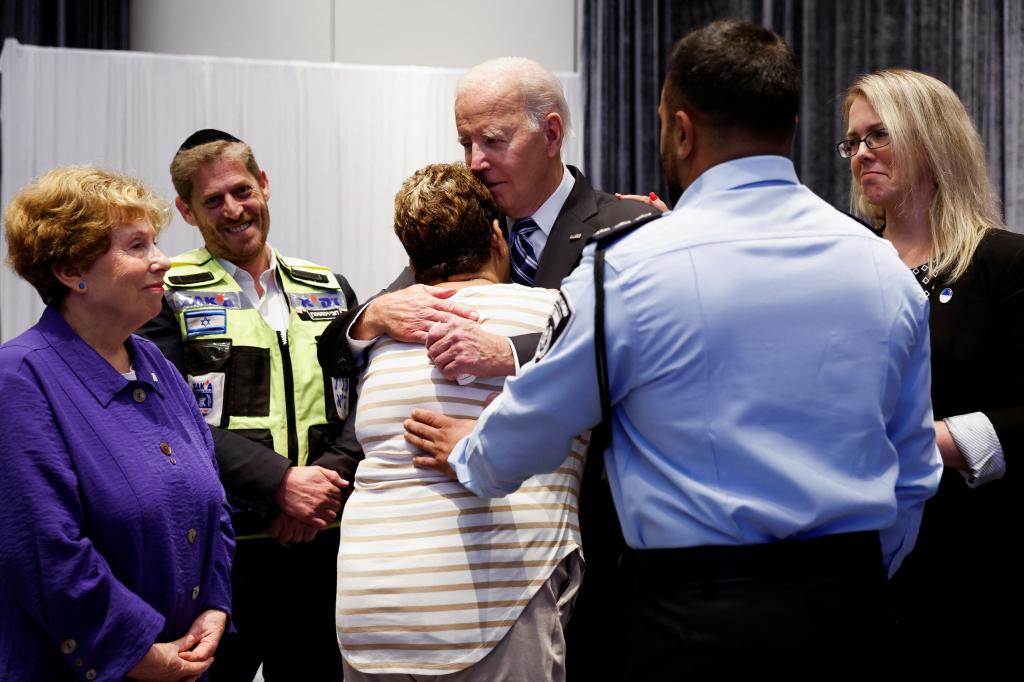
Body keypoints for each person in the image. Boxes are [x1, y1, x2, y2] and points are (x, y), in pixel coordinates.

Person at [405, 19, 943, 678]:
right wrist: (844, 575)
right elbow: (914, 471)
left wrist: (471, 451)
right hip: (854, 616)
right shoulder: (884, 268)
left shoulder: (625, 267)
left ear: (681, 129)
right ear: (792, 125)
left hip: (696, 621)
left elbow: (534, 427)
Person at [317, 58, 651, 681]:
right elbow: (364, 358)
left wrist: (516, 354)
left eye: (492, 141)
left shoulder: (628, 229)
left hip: (590, 551)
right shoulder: (467, 230)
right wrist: (367, 319)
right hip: (446, 573)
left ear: (551, 135)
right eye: (464, 141)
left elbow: (642, 356)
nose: (474, 161)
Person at [337, 162, 583, 681]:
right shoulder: (553, 316)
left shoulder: (381, 336)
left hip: (369, 609)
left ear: (412, 259)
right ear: (499, 238)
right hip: (491, 607)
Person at [138, 129, 357, 680]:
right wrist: (279, 483)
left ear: (263, 185)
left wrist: (321, 486)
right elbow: (166, 417)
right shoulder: (164, 293)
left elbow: (366, 403)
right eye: (212, 201)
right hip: (220, 553)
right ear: (188, 213)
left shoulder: (329, 286)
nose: (233, 210)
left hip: (325, 545)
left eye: (241, 190)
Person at [0, 166, 234, 681]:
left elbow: (214, 507)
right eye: (137, 246)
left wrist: (216, 606)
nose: (162, 261)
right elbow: (43, 549)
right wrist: (135, 653)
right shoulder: (20, 378)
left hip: (185, 662)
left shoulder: (157, 364)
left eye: (155, 242)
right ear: (71, 269)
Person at [841, 68, 1024, 669]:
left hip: (971, 564)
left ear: (932, 139)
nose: (861, 153)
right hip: (852, 556)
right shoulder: (840, 265)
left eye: (879, 135)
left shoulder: (1003, 262)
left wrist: (927, 443)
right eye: (853, 141)